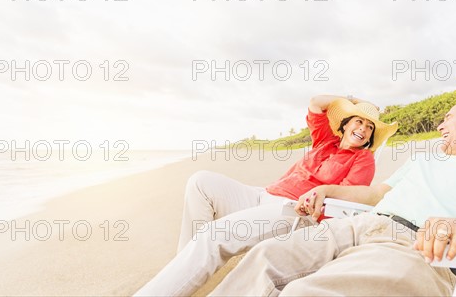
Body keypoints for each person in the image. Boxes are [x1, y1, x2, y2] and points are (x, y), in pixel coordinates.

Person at [209, 99, 456, 296]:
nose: (440, 126)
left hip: (418, 253)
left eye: (448, 118)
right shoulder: (426, 159)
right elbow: (377, 194)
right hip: (362, 225)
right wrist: (327, 189)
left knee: (305, 292)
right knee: (263, 258)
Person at [135, 95, 398, 296]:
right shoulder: (325, 142)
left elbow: (349, 199)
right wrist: (348, 101)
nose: (363, 129)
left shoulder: (363, 159)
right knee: (200, 182)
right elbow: (316, 104)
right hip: (263, 194)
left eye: (369, 128)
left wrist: (317, 202)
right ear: (345, 125)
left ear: (369, 138)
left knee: (214, 235)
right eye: (358, 121)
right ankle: (186, 269)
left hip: (293, 212)